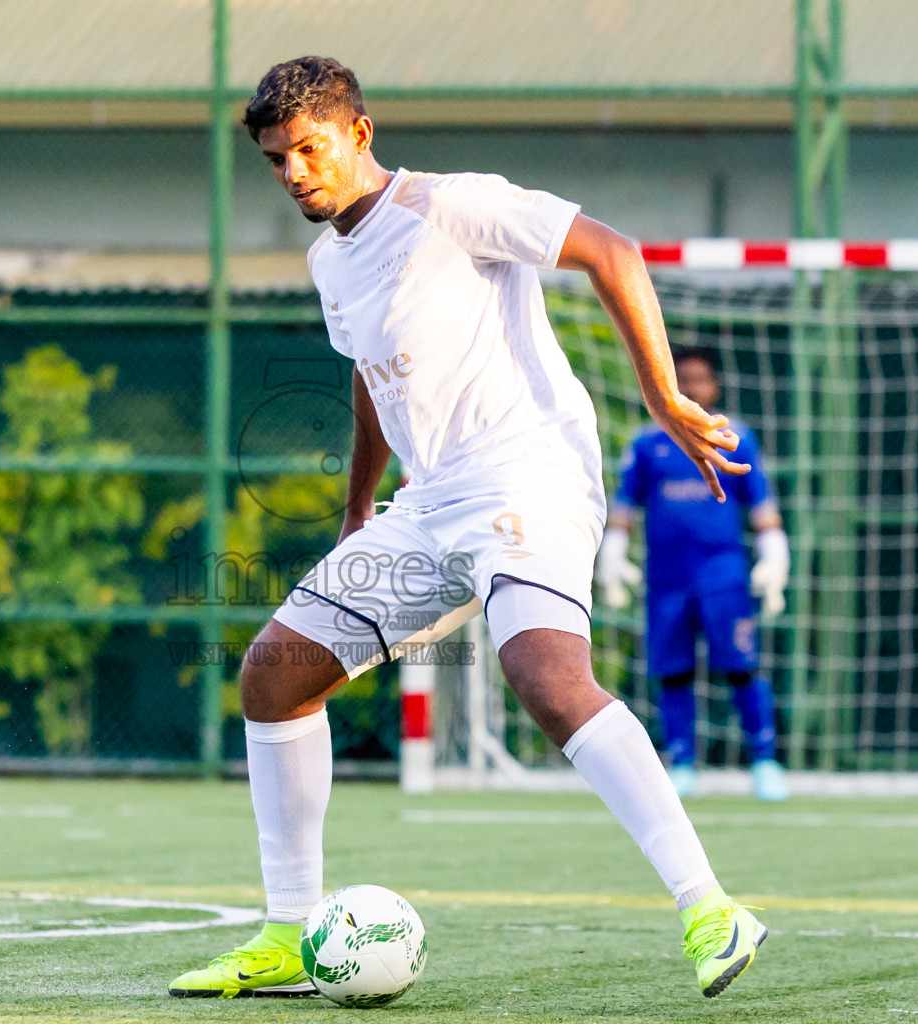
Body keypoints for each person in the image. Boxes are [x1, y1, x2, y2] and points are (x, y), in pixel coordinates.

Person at [168, 56, 768, 1003]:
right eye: (277, 158)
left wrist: (660, 394)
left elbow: (612, 251)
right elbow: (370, 378)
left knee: (544, 673)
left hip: (528, 472)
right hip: (429, 504)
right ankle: (288, 936)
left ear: (359, 134)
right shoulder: (331, 260)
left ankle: (711, 906)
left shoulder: (454, 205)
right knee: (274, 675)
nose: (293, 173)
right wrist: (359, 508)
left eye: (309, 149)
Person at [596, 347, 791, 802]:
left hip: (723, 578)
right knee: (674, 672)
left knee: (742, 667)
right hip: (666, 581)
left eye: (700, 379)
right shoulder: (648, 444)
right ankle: (682, 761)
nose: (691, 387)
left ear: (715, 385)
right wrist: (614, 555)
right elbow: (625, 509)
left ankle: (764, 760)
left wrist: (774, 555)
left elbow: (763, 508)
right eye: (681, 378)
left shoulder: (737, 438)